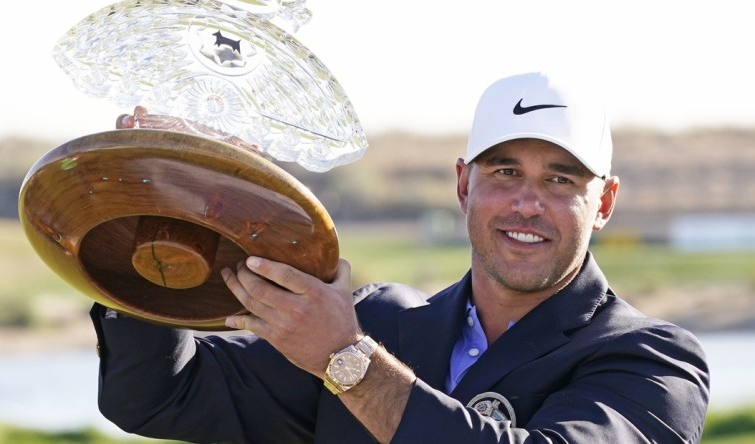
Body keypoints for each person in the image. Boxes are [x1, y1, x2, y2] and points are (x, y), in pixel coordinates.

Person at [95, 71, 710, 443]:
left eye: (560, 180)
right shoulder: (378, 322)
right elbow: (158, 397)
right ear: (464, 185)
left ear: (603, 202)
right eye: (504, 172)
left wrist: (346, 362)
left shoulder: (651, 360)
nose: (527, 204)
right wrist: (163, 222)